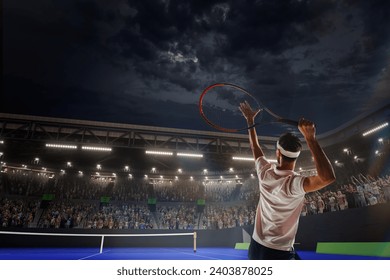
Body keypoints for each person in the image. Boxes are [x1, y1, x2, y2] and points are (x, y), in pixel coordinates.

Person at [239, 101, 336, 260]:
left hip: (256, 247)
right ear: (297, 155)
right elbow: (328, 177)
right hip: (279, 253)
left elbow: (254, 147)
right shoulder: (295, 184)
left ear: (278, 153)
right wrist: (310, 138)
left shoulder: (265, 172)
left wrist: (250, 120)